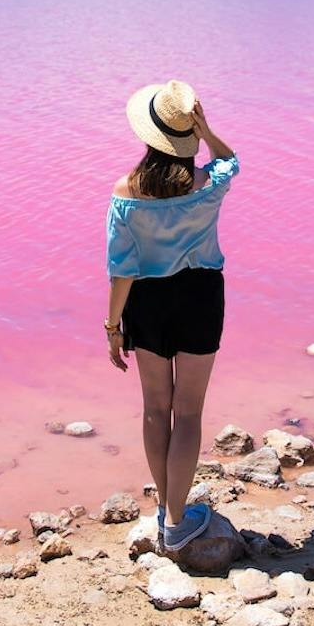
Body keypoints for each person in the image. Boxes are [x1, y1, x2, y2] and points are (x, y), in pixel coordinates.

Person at [103, 79, 238, 552]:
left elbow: (121, 271)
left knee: (155, 410)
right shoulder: (208, 186)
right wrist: (208, 130)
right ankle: (178, 522)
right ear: (188, 136)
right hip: (201, 296)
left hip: (148, 301)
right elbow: (230, 161)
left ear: (148, 135)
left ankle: (166, 511)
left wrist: (112, 327)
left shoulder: (126, 192)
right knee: (190, 412)